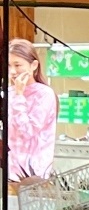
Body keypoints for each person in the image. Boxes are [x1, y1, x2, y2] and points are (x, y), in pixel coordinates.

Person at [7, 38, 56, 180]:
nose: (13, 71)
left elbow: (27, 132)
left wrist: (18, 96)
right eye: (9, 65)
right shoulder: (9, 92)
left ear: (34, 65)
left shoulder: (44, 94)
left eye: (18, 65)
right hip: (10, 170)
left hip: (34, 173)